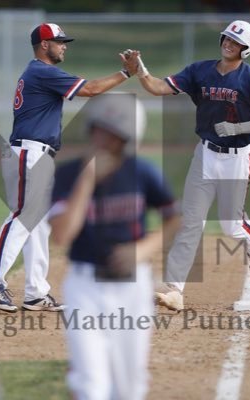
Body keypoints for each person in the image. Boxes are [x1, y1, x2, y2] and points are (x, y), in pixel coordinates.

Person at [0, 23, 137, 312]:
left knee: (38, 224)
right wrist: (126, 73)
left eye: (64, 41)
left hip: (36, 152)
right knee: (23, 216)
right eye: (58, 41)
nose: (64, 45)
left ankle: (36, 292)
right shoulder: (42, 71)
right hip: (29, 152)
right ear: (43, 45)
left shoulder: (38, 72)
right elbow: (90, 89)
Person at [123, 20, 250, 311]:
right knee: (190, 222)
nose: (228, 43)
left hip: (237, 157)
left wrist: (237, 128)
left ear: (246, 49)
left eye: (236, 41)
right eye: (227, 38)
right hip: (206, 154)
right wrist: (140, 70)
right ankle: (175, 290)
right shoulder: (200, 70)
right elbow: (157, 87)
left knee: (231, 226)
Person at [48, 93, 180, 400]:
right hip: (85, 288)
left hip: (132, 289)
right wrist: (87, 180)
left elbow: (174, 219)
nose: (102, 139)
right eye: (99, 129)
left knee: (129, 387)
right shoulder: (67, 175)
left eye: (113, 134)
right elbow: (62, 236)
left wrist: (144, 249)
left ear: (128, 139)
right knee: (91, 385)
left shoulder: (142, 172)